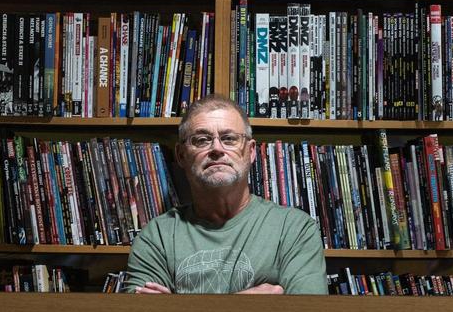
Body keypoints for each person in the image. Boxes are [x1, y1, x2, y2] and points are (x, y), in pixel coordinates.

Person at [126, 94, 327, 295]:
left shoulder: (294, 229)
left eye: (229, 139)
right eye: (202, 140)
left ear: (251, 152)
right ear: (181, 155)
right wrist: (248, 305)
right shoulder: (157, 236)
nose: (216, 149)